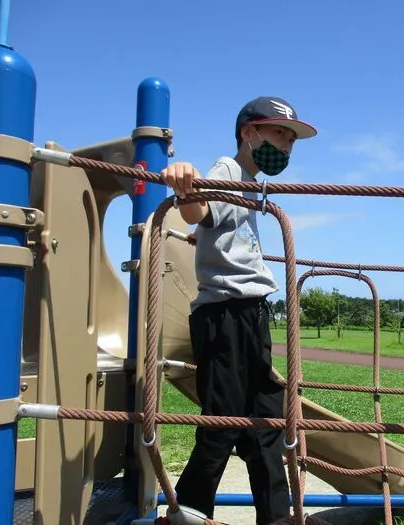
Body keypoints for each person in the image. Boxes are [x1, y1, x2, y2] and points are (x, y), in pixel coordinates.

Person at [160, 97, 317, 525]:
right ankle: (188, 514)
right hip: (225, 314)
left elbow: (215, 226)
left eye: (290, 140)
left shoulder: (250, 181)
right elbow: (200, 210)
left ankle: (278, 517)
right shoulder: (228, 171)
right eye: (278, 134)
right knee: (223, 423)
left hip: (250, 313)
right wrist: (186, 184)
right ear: (249, 133)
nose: (285, 147)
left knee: (267, 423)